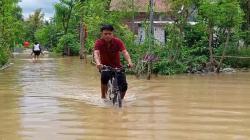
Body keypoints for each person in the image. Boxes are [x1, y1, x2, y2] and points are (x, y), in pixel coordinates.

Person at [94, 24, 133, 100]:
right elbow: (96, 53)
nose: (107, 35)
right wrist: (98, 63)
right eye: (105, 34)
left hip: (117, 67)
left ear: (113, 34)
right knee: (104, 77)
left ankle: (121, 100)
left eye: (109, 34)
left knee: (124, 86)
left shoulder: (117, 41)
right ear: (102, 34)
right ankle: (103, 97)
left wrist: (129, 62)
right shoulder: (99, 42)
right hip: (104, 66)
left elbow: (125, 52)